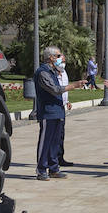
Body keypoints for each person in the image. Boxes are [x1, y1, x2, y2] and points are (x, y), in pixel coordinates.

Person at [33, 45, 84, 181]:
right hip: (48, 112)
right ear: (50, 57)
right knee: (45, 142)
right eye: (58, 56)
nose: (60, 58)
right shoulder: (43, 72)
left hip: (58, 111)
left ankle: (54, 168)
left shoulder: (54, 71)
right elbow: (54, 89)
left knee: (55, 142)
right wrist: (73, 86)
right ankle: (41, 169)